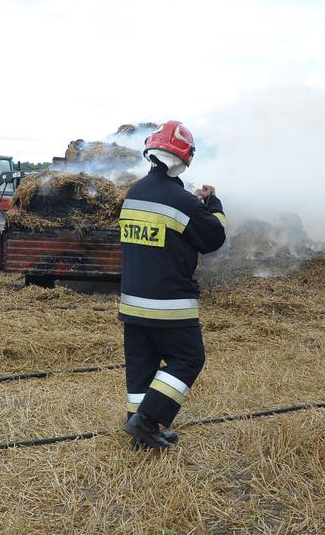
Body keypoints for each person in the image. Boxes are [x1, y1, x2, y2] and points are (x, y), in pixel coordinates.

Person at [119, 120, 228, 449]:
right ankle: (149, 419)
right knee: (188, 360)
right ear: (185, 158)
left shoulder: (133, 193)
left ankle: (138, 431)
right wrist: (213, 205)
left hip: (133, 303)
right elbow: (214, 237)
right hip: (170, 305)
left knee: (142, 367)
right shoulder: (183, 201)